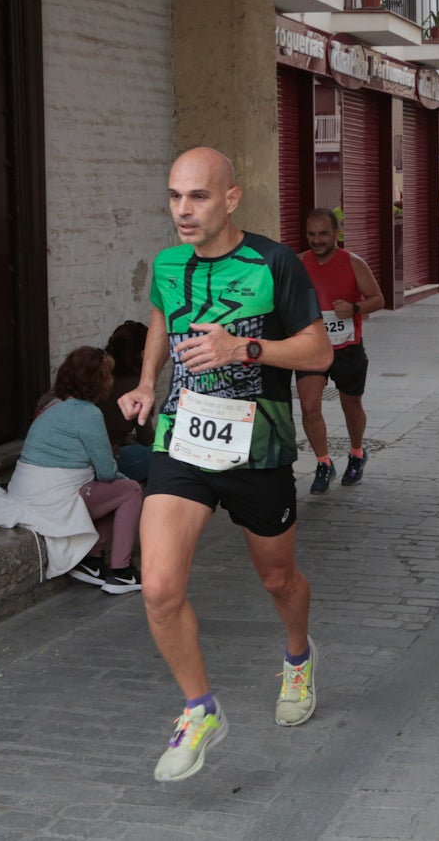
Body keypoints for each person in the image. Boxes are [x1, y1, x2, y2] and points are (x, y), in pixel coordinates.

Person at [118, 146, 333, 783]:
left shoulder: (275, 263)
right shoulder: (167, 263)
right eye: (176, 197)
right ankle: (199, 707)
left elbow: (319, 352)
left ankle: (299, 655)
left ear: (231, 199)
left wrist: (246, 345)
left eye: (199, 197)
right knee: (158, 586)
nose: (183, 211)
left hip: (256, 446)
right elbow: (162, 314)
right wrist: (148, 381)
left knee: (277, 580)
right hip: (183, 441)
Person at [0, 345, 144, 594]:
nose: (112, 380)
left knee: (112, 492)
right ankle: (122, 572)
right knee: (129, 490)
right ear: (99, 381)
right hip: (52, 501)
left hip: (27, 492)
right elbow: (106, 472)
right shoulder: (88, 414)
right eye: (108, 375)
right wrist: (124, 478)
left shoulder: (51, 404)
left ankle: (92, 562)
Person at [297, 208, 386, 494]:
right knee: (309, 406)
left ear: (336, 233)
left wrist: (354, 308)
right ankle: (324, 463)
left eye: (323, 233)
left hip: (347, 347)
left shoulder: (353, 263)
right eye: (311, 234)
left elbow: (378, 299)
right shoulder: (299, 263)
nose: (317, 240)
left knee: (351, 405)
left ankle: (357, 453)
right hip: (312, 348)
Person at [103, 321, 152, 483]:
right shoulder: (137, 386)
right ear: (143, 354)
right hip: (108, 458)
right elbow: (146, 438)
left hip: (83, 456)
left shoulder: (98, 374)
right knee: (163, 453)